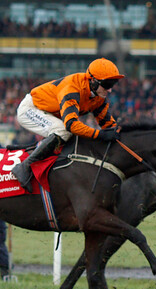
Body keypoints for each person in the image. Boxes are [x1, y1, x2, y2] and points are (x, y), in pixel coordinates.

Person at [12, 58, 123, 193]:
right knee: (63, 131)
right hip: (31, 109)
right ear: (92, 80)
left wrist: (119, 133)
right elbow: (71, 125)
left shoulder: (99, 96)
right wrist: (99, 135)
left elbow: (109, 125)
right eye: (107, 84)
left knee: (68, 133)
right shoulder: (72, 88)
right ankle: (25, 166)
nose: (110, 89)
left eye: (113, 83)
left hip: (50, 113)